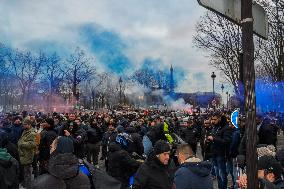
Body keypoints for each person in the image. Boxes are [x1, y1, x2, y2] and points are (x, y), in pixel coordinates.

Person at [207, 113, 232, 189]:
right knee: (217, 174)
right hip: (214, 154)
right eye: (212, 119)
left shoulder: (226, 128)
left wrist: (214, 139)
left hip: (221, 154)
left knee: (222, 175)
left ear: (219, 118)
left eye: (215, 119)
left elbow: (226, 141)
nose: (213, 121)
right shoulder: (215, 127)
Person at [18, 118, 36, 189]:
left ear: (29, 125)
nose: (23, 126)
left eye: (25, 124)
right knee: (25, 173)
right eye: (23, 124)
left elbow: (32, 144)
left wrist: (21, 144)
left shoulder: (32, 133)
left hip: (27, 155)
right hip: (24, 154)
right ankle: (26, 185)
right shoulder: (25, 131)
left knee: (27, 173)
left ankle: (28, 186)